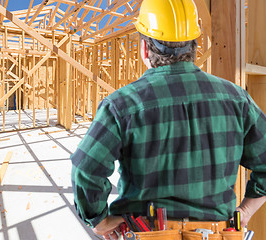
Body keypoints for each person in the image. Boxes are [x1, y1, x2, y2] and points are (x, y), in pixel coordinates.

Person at [71, 0, 266, 239]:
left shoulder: (121, 105)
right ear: (195, 45)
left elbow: (85, 168)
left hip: (145, 232)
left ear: (145, 48)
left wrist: (99, 219)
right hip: (216, 232)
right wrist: (245, 210)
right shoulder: (237, 100)